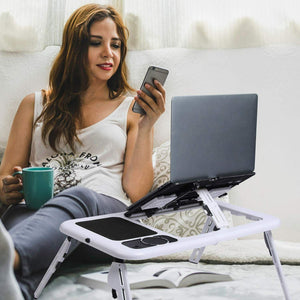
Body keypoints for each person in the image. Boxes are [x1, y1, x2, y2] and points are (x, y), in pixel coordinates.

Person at [0, 3, 166, 299]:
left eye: (115, 45)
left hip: (103, 220)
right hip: (36, 215)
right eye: (96, 43)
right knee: (30, 239)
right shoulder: (34, 105)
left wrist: (147, 124)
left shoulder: (130, 109)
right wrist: (8, 189)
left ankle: (9, 256)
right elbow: (5, 179)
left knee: (79, 197)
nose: (109, 53)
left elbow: (137, 192)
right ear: (75, 49)